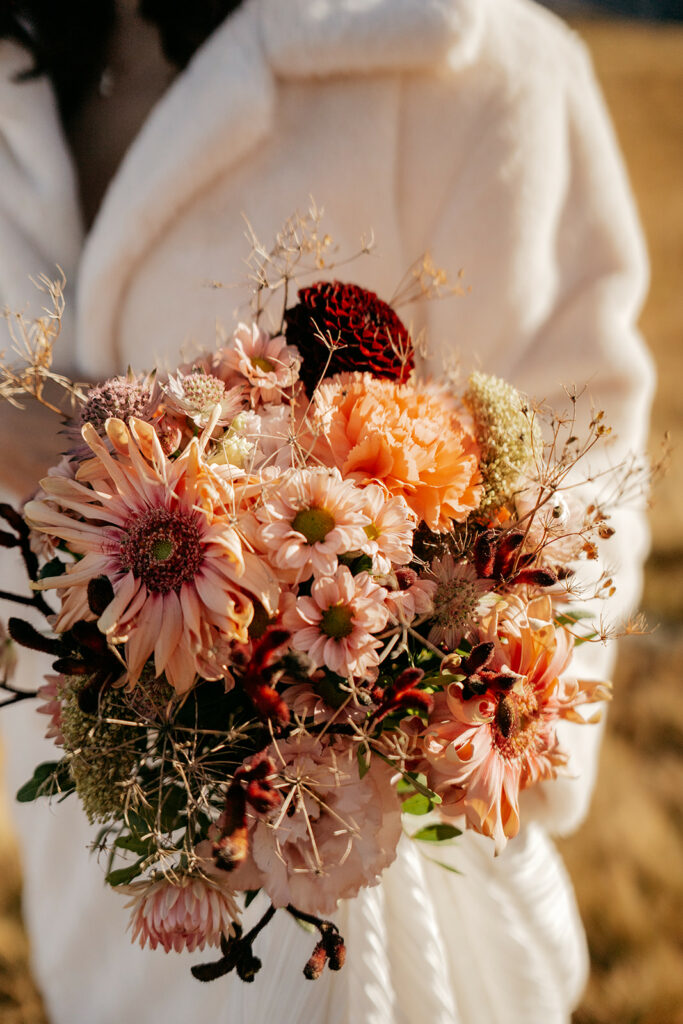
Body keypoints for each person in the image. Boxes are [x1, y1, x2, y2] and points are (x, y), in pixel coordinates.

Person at [0, 1, 654, 1021]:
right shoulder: (26, 47)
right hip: (95, 866)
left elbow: (580, 440)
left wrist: (457, 719)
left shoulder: (464, 59)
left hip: (364, 903)